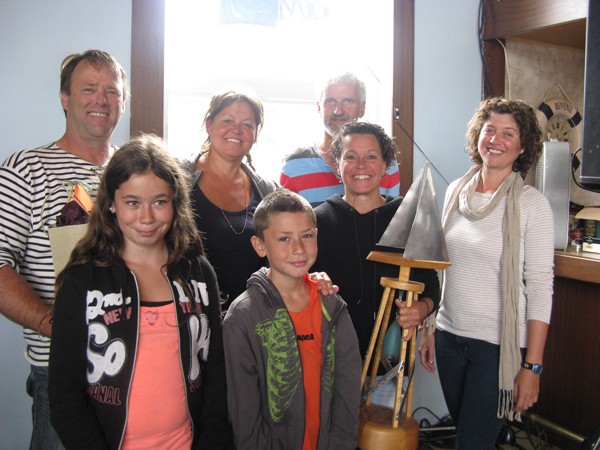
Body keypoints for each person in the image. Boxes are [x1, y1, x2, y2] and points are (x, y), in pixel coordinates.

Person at [48, 135, 233, 449]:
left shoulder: (199, 273)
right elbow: (65, 395)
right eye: (132, 203)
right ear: (111, 203)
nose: (147, 217)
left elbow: (216, 373)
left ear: (175, 203)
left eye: (159, 202)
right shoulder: (83, 279)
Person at [0, 49, 128, 449]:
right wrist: (55, 326)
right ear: (64, 98)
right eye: (89, 89)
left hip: (130, 365)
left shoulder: (132, 172)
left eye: (112, 91)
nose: (101, 100)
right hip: (63, 370)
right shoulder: (26, 170)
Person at [419, 97, 554, 449]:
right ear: (477, 135)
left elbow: (541, 287)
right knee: (469, 437)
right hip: (448, 338)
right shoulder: (455, 191)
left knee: (472, 444)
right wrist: (430, 328)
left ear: (522, 146)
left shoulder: (532, 204)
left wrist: (532, 366)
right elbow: (441, 266)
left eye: (508, 133)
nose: (495, 140)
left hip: (496, 350)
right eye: (489, 130)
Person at [223, 190, 361, 450]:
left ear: (316, 236)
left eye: (306, 236)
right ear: (260, 245)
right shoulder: (243, 317)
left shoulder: (332, 305)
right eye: (284, 238)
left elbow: (348, 386)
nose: (298, 249)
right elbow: (244, 411)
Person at [188, 90, 337, 310]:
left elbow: (294, 244)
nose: (236, 129)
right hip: (193, 316)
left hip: (253, 317)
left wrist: (312, 278)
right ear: (209, 124)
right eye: (227, 120)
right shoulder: (176, 181)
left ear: (255, 134)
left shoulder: (267, 191)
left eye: (247, 124)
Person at [312, 121, 440, 360]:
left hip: (390, 362)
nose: (361, 165)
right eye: (351, 157)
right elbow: (295, 284)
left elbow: (430, 281)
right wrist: (310, 282)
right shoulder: (317, 221)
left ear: (385, 165)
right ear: (338, 164)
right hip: (329, 359)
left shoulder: (407, 217)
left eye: (371, 156)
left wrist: (422, 309)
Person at [280, 72, 400, 207]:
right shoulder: (294, 164)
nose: (338, 111)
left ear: (362, 108)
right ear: (319, 107)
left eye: (348, 101)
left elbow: (393, 217)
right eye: (330, 101)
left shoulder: (387, 162)